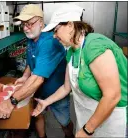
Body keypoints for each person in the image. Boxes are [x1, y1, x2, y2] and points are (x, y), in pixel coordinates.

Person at [32, 3, 128, 137]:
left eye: (56, 30)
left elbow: (112, 96)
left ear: (70, 25)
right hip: (89, 118)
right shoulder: (71, 52)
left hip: (114, 118)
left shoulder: (94, 46)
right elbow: (66, 88)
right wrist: (46, 102)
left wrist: (87, 131)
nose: (54, 36)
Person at [0, 4, 74, 138]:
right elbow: (31, 62)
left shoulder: (49, 42)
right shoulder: (32, 38)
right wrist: (25, 76)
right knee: (37, 115)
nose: (26, 28)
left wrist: (11, 102)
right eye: (23, 24)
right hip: (38, 91)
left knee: (63, 122)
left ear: (41, 23)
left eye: (30, 24)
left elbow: (38, 78)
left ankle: (69, 135)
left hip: (56, 92)